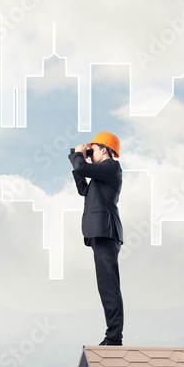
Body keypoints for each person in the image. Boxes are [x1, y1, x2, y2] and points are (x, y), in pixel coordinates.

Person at [69, 132, 124, 346]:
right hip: (100, 233)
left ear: (104, 149)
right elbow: (83, 189)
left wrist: (79, 156)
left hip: (106, 232)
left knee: (109, 286)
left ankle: (114, 337)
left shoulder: (111, 167)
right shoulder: (101, 176)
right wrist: (77, 158)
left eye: (93, 150)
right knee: (105, 286)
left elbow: (82, 167)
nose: (91, 155)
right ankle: (113, 336)